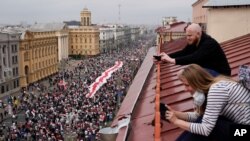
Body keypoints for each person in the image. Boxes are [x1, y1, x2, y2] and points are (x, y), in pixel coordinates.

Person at [165, 64, 250, 141]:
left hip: (244, 133)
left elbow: (206, 129)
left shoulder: (217, 89)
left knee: (212, 128)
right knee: (203, 121)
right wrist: (176, 114)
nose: (185, 89)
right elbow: (198, 116)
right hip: (240, 131)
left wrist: (176, 121)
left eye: (187, 85)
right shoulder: (213, 87)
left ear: (197, 82)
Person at [159, 23, 231, 76]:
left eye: (190, 35)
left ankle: (202, 96)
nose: (187, 38)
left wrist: (172, 61)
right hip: (210, 72)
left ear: (198, 34)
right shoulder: (195, 41)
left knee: (192, 74)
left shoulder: (209, 43)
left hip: (222, 76)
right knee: (184, 74)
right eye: (186, 36)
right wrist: (166, 57)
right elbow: (184, 52)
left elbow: (195, 57)